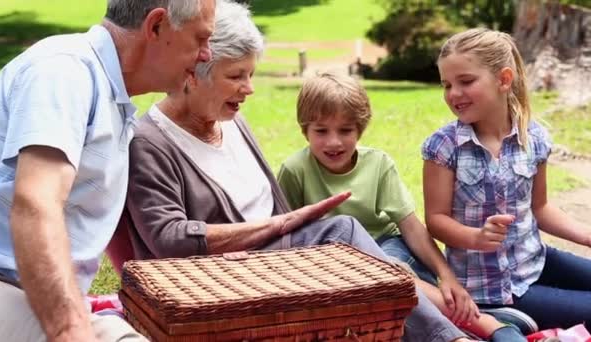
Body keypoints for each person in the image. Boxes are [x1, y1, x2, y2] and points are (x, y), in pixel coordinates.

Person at [115, 2, 471, 341]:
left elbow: (272, 205)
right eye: (237, 75)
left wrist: (286, 231)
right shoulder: (150, 142)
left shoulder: (232, 121)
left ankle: (446, 324)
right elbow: (167, 237)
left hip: (279, 266)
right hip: (223, 280)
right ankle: (450, 335)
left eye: (251, 74)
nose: (249, 88)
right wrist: (276, 226)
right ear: (194, 72)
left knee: (362, 258)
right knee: (342, 232)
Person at [0, 0, 216, 341]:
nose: (207, 54)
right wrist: (71, 330)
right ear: (156, 27)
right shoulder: (64, 71)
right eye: (200, 38)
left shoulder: (107, 92)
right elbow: (36, 203)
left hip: (26, 292)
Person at [276, 71, 526, 341]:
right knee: (376, 295)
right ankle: (477, 320)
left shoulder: (378, 165)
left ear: (359, 129)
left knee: (390, 270)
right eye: (321, 131)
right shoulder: (295, 170)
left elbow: (410, 225)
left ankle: (486, 324)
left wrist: (447, 276)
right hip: (331, 261)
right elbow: (289, 236)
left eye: (345, 130)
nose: (334, 142)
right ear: (305, 130)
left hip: (385, 244)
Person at [422, 27, 591, 331]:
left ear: (504, 79)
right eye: (447, 85)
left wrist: (587, 236)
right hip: (494, 289)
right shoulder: (443, 147)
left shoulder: (534, 137)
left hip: (537, 262)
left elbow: (540, 208)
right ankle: (503, 318)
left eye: (466, 81)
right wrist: (475, 238)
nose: (453, 94)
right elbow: (435, 219)